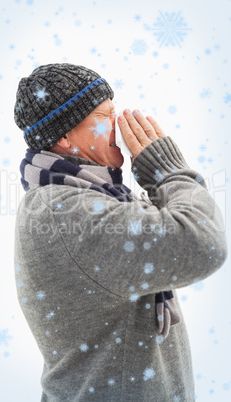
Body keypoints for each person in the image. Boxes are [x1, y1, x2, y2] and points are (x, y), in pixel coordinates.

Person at [13, 63, 228, 402]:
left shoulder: (82, 197)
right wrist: (168, 172)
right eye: (105, 115)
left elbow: (166, 226)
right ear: (64, 136)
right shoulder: (66, 210)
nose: (119, 126)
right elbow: (201, 242)